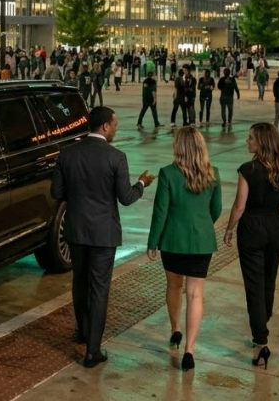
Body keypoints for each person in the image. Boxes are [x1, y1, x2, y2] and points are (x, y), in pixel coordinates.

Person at [51, 106, 154, 368]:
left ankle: (83, 332)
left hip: (75, 230)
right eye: (115, 126)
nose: (116, 130)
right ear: (105, 127)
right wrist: (142, 183)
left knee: (80, 283)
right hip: (104, 234)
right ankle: (92, 351)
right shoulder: (115, 157)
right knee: (99, 289)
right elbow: (127, 198)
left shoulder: (67, 153)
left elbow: (57, 192)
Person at [146, 126, 222, 371]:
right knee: (195, 294)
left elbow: (160, 212)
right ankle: (190, 349)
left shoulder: (167, 174)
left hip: (172, 241)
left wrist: (152, 242)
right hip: (202, 242)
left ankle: (175, 328)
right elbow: (216, 209)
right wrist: (201, 224)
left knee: (174, 286)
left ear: (178, 147)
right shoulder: (214, 174)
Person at [223, 123, 279, 368]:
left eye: (251, 138)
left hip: (253, 226)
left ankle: (260, 341)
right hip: (276, 225)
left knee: (254, 284)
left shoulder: (249, 169)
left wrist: (229, 228)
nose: (247, 142)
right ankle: (262, 321)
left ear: (262, 142)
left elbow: (240, 206)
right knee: (269, 279)